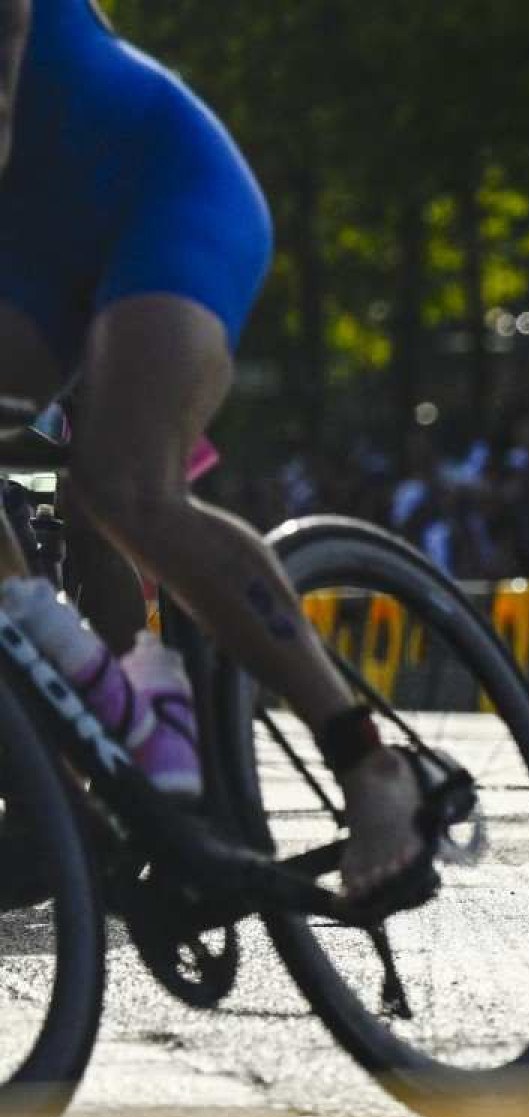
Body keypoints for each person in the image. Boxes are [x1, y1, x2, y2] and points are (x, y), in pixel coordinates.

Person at [0, 0, 436, 911]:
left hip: (163, 193)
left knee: (122, 487)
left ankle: (365, 762)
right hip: (34, 250)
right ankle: (77, 757)